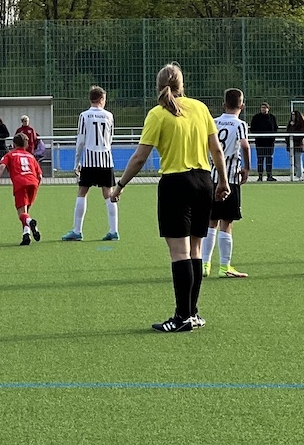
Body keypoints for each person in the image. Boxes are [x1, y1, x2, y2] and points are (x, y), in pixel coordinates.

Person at [111, 63, 229, 333]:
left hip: (176, 184)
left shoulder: (158, 113)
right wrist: (222, 181)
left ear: (158, 85)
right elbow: (217, 150)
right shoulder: (200, 108)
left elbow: (140, 157)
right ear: (182, 84)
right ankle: (193, 313)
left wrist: (120, 184)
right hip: (203, 181)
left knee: (179, 253)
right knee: (196, 250)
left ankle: (181, 316)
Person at [203, 89, 252, 278]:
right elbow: (245, 145)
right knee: (227, 223)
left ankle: (204, 265)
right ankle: (225, 267)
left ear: (223, 104)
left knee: (210, 222)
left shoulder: (213, 122)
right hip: (230, 178)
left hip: (211, 177)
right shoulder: (240, 124)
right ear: (242, 106)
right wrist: (247, 168)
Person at [63, 86, 118, 242]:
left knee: (82, 192)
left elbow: (80, 140)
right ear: (101, 99)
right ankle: (114, 230)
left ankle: (77, 231)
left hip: (89, 160)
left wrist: (77, 162)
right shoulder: (109, 116)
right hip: (106, 160)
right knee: (108, 194)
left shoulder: (84, 116)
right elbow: (110, 138)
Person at [0, 133, 43, 245]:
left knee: (22, 214)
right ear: (26, 145)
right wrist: (37, 186)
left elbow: (2, 166)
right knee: (26, 213)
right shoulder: (31, 156)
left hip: (21, 183)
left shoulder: (10, 154)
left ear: (14, 144)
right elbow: (40, 176)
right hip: (33, 183)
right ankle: (26, 235)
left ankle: (31, 223)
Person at [248, 102, 278, 181]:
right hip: (259, 142)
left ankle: (269, 175)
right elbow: (252, 128)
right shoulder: (256, 117)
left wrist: (272, 137)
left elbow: (275, 128)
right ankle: (260, 176)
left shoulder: (272, 117)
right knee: (260, 159)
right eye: (262, 108)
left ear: (268, 109)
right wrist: (257, 136)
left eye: (265, 108)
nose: (263, 109)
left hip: (270, 143)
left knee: (269, 159)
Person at [285, 110, 304, 181]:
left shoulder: (301, 124)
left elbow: (302, 135)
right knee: (293, 161)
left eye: (294, 115)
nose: (293, 117)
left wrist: (294, 138)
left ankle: (300, 175)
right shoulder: (290, 124)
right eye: (292, 115)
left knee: (298, 160)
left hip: (298, 145)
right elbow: (287, 133)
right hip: (291, 145)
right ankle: (303, 173)